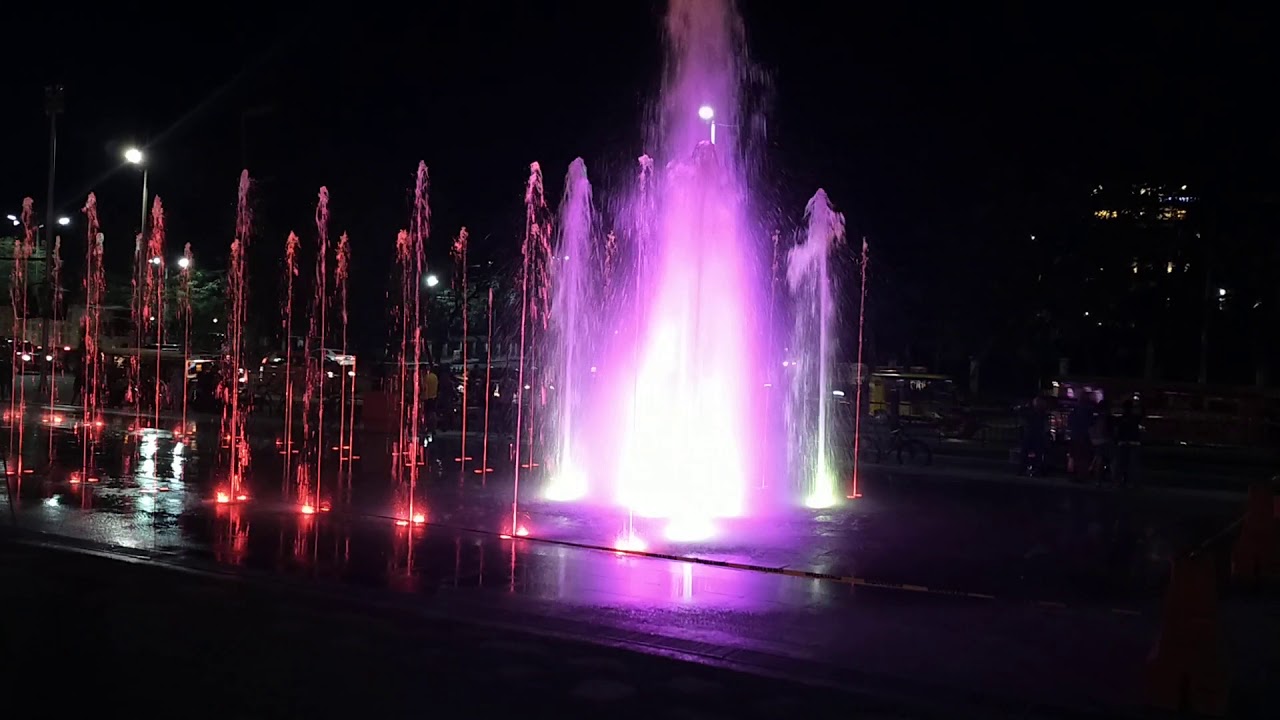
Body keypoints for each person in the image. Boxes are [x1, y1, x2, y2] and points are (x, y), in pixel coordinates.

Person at [1113, 398, 1143, 488]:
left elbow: (1117, 431)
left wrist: (1117, 440)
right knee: (1133, 464)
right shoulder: (1136, 418)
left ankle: (1121, 481)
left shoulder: (1121, 419)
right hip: (1134, 442)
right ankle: (1134, 483)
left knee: (1122, 463)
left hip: (1123, 442)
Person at [1067, 391, 1096, 481]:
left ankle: (1074, 475)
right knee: (1083, 457)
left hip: (1075, 435)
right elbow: (1092, 424)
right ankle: (1082, 475)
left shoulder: (1075, 409)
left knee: (1075, 455)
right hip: (1085, 436)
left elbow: (1070, 422)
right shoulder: (1089, 410)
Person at [1020, 396, 1049, 476]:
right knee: (1036, 453)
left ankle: (1026, 469)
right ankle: (1034, 469)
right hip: (1035, 435)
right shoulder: (1041, 414)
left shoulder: (1032, 413)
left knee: (1029, 453)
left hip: (1032, 435)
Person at [423, 363, 440, 439]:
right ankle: (433, 428)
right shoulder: (435, 377)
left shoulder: (426, 377)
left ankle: (427, 427)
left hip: (427, 398)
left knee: (428, 414)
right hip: (434, 397)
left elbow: (424, 388)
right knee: (433, 413)